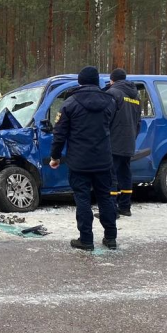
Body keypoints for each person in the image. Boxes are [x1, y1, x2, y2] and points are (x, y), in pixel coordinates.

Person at [49, 66, 118, 251]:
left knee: (83, 199)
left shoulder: (70, 103)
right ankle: (111, 237)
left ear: (80, 82)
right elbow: (111, 126)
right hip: (104, 159)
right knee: (105, 198)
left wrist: (55, 156)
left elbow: (59, 133)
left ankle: (86, 239)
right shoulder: (110, 101)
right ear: (97, 81)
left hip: (79, 161)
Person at [104, 68, 141, 217]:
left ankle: (111, 208)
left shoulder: (113, 93)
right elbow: (138, 120)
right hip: (129, 140)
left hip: (114, 140)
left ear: (112, 80)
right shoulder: (136, 95)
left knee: (110, 174)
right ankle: (125, 206)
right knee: (125, 173)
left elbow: (107, 118)